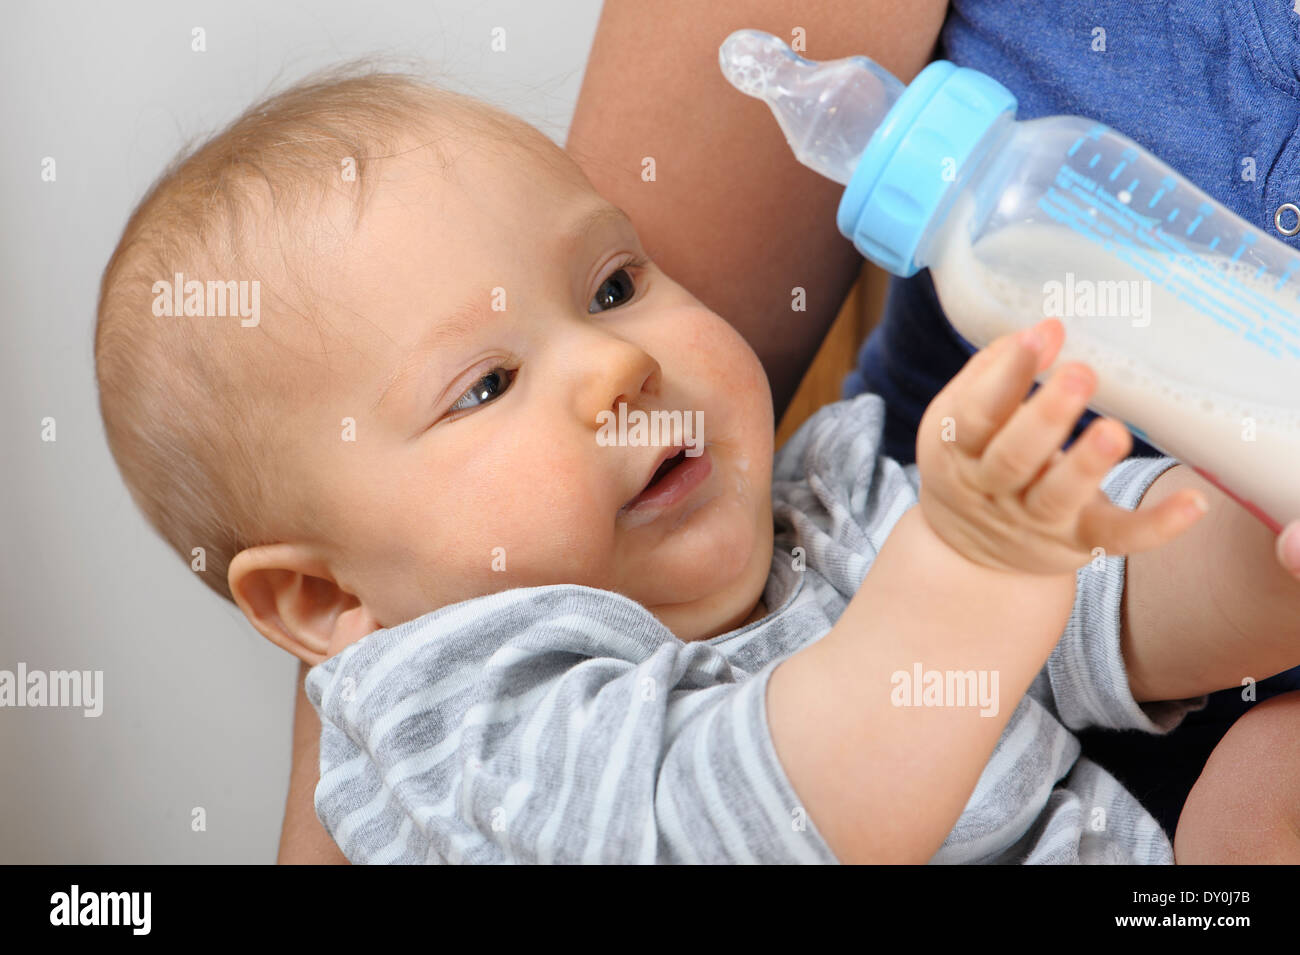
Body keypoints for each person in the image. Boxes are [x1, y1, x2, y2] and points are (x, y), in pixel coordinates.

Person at [274, 0, 1300, 861]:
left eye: (614, 286)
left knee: (1270, 770)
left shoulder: (821, 510)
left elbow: (1113, 602)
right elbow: (762, 819)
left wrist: (1258, 539)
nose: (616, 364)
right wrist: (971, 569)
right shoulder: (461, 717)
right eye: (487, 386)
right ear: (327, 598)